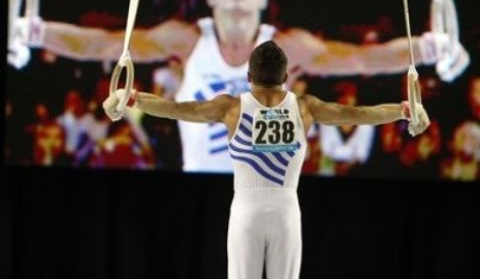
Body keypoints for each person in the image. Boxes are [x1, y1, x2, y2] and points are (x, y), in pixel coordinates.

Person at [9, 0, 458, 172]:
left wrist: (428, 47)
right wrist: (35, 32)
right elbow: (105, 45)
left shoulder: (287, 47)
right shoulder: (186, 40)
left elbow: (362, 58)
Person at [102, 41, 430, 279]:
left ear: (248, 75)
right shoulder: (304, 107)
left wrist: (128, 97)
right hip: (287, 213)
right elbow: (358, 115)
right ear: (286, 75)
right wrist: (404, 109)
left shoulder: (231, 107)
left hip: (245, 213)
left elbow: (176, 108)